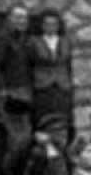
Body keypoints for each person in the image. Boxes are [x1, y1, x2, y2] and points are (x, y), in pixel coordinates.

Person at [28, 9, 75, 148]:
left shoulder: (65, 41)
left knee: (63, 116)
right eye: (47, 24)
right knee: (44, 118)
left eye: (54, 24)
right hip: (43, 84)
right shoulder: (33, 41)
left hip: (62, 84)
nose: (51, 27)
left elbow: (68, 63)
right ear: (42, 25)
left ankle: (63, 144)